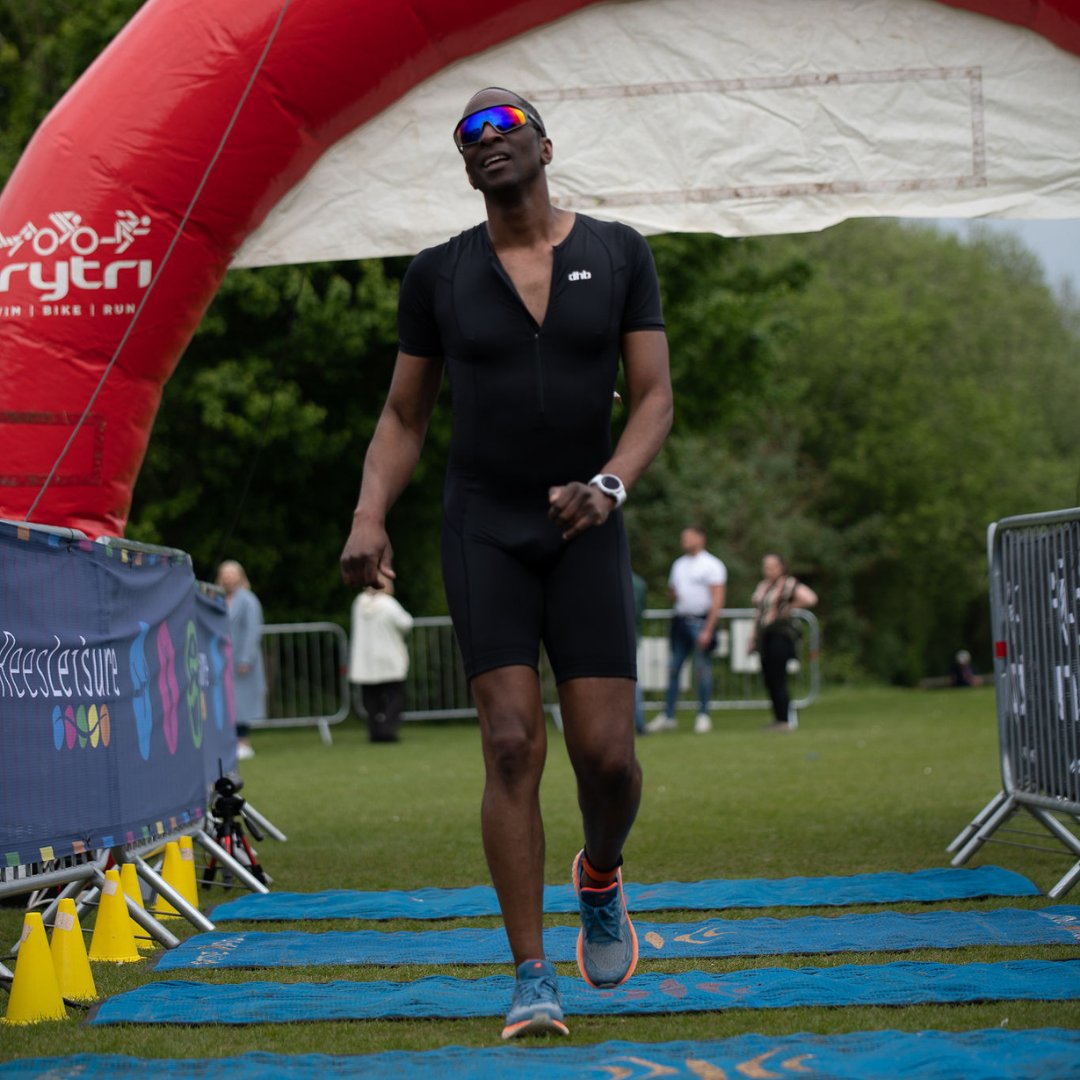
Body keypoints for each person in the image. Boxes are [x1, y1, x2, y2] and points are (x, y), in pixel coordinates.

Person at [339, 87, 673, 1040]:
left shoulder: (616, 252)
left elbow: (652, 399)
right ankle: (532, 975)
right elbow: (404, 417)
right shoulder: (438, 276)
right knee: (513, 744)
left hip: (586, 526)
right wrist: (370, 513)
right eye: (468, 134)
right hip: (483, 525)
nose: (486, 139)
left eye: (504, 125)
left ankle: (599, 876)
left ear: (543, 143)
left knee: (606, 758)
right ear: (464, 164)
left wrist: (608, 484)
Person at [646, 526, 725, 734]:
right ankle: (669, 715)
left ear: (701, 538)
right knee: (673, 668)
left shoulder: (712, 565)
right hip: (680, 621)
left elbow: (717, 599)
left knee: (702, 669)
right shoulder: (679, 564)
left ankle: (703, 714)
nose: (684, 540)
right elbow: (674, 591)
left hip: (700, 622)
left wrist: (708, 628)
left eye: (688, 537)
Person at [749, 553, 818, 731]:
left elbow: (810, 598)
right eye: (766, 566)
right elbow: (758, 614)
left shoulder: (788, 584)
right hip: (765, 635)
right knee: (769, 677)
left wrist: (790, 607)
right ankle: (778, 718)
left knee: (779, 677)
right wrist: (752, 638)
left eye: (772, 566)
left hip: (781, 634)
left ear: (781, 567)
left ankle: (786, 718)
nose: (768, 570)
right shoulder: (763, 586)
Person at [349, 574, 414, 742]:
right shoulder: (388, 604)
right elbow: (406, 623)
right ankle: (388, 730)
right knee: (394, 697)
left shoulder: (359, 603)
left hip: (366, 661)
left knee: (371, 700)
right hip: (388, 658)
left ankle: (374, 731)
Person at [216, 560, 266, 761]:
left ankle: (244, 742)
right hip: (222, 660)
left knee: (243, 701)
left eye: (232, 574)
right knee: (226, 701)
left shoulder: (248, 600)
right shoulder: (217, 599)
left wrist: (246, 658)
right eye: (225, 574)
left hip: (243, 661)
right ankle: (229, 741)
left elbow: (253, 630)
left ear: (240, 576)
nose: (228, 578)